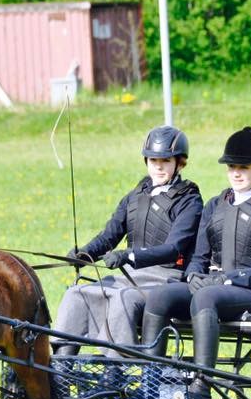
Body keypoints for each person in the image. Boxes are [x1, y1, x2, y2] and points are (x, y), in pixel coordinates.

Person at [140, 126, 251, 399]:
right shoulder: (214, 205)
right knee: (160, 296)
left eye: (244, 167)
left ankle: (202, 388)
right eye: (232, 167)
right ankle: (149, 385)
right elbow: (200, 257)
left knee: (205, 297)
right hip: (213, 289)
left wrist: (226, 280)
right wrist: (194, 276)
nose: (236, 173)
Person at [52, 125, 203, 356]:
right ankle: (62, 366)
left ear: (179, 163)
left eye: (165, 161)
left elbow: (174, 249)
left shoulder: (189, 200)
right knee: (75, 294)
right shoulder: (136, 196)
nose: (158, 166)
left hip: (166, 279)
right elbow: (110, 235)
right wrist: (84, 254)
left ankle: (116, 367)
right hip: (130, 275)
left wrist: (129, 255)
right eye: (153, 160)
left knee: (123, 298)